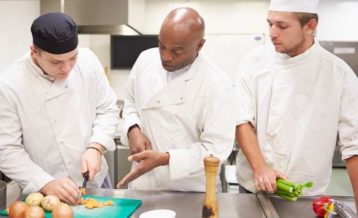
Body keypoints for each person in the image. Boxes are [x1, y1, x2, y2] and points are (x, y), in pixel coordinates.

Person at [235, 0, 358, 210]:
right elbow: (241, 119)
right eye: (270, 24)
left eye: (282, 26)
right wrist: (261, 168)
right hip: (254, 190)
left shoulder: (338, 74)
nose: (272, 33)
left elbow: (354, 146)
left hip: (307, 194)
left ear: (310, 26)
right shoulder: (254, 62)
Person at [0, 13, 119, 205]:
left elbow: (107, 109)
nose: (66, 69)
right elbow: (6, 149)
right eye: (56, 62)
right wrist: (45, 182)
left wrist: (96, 147)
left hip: (94, 181)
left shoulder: (89, 61)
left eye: (72, 58)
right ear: (34, 51)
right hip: (43, 192)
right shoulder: (8, 85)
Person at [116, 7, 235, 191]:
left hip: (192, 190)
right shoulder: (145, 60)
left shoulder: (216, 84)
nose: (165, 57)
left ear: (200, 45)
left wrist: (165, 159)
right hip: (145, 186)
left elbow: (216, 149)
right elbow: (131, 101)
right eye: (161, 46)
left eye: (177, 52)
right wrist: (133, 128)